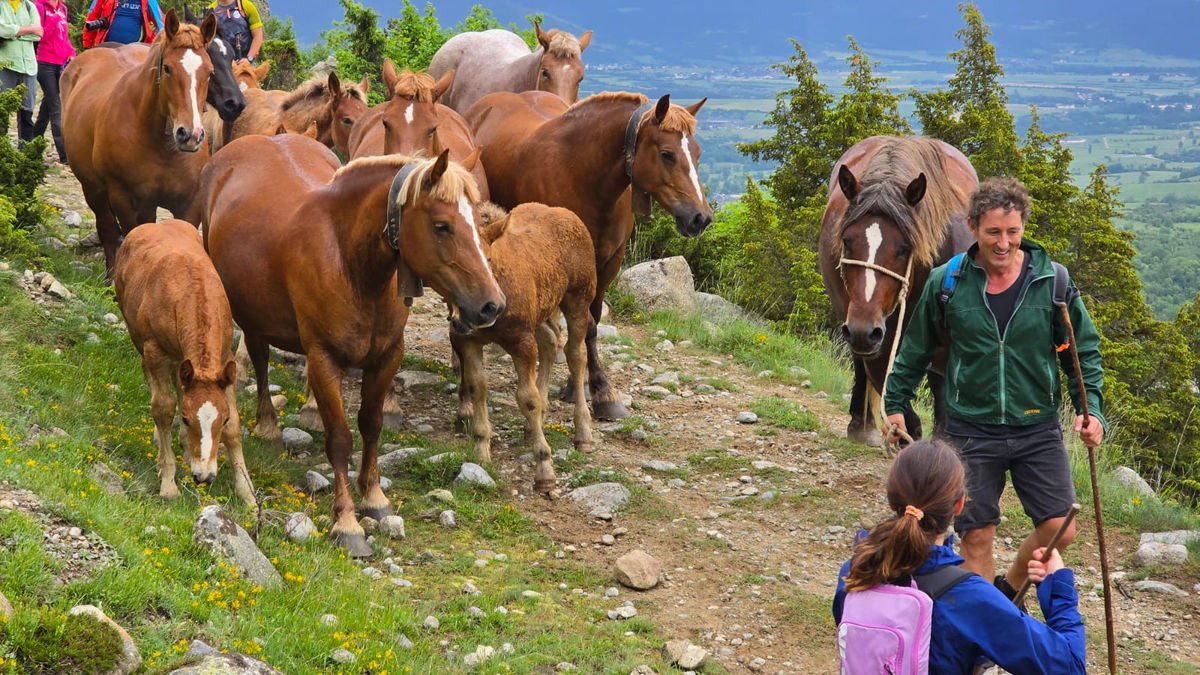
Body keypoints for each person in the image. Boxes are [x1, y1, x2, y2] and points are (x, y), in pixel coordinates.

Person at [882, 176, 1106, 598]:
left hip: (1036, 426)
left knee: (1061, 527)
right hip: (969, 428)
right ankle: (983, 636)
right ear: (972, 227)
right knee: (976, 536)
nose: (1003, 243)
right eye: (993, 232)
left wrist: (1090, 410)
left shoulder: (1052, 282)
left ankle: (1008, 590)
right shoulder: (947, 283)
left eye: (1012, 232)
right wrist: (895, 401)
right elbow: (915, 348)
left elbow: (1081, 352)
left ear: (1023, 228)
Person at [832, 440, 1087, 674]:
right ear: (960, 505)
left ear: (892, 502)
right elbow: (1069, 667)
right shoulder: (969, 597)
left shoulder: (857, 570)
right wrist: (1058, 589)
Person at [31, 0, 72, 164]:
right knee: (56, 107)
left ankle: (32, 144)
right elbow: (39, 36)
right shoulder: (39, 7)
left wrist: (71, 53)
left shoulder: (63, 8)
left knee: (47, 108)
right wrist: (53, 21)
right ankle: (65, 155)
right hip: (44, 62)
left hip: (60, 63)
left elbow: (65, 38)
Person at [0, 0, 41, 142]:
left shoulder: (30, 6)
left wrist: (12, 33)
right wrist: (29, 30)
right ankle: (3, 153)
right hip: (5, 65)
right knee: (2, 111)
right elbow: (1, 30)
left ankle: (26, 153)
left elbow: (38, 33)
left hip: (28, 66)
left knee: (27, 113)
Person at [82, 0, 162, 48]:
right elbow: (92, 18)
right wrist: (87, 45)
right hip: (106, 48)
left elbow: (161, 23)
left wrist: (152, 44)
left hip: (133, 51)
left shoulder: (149, 1)